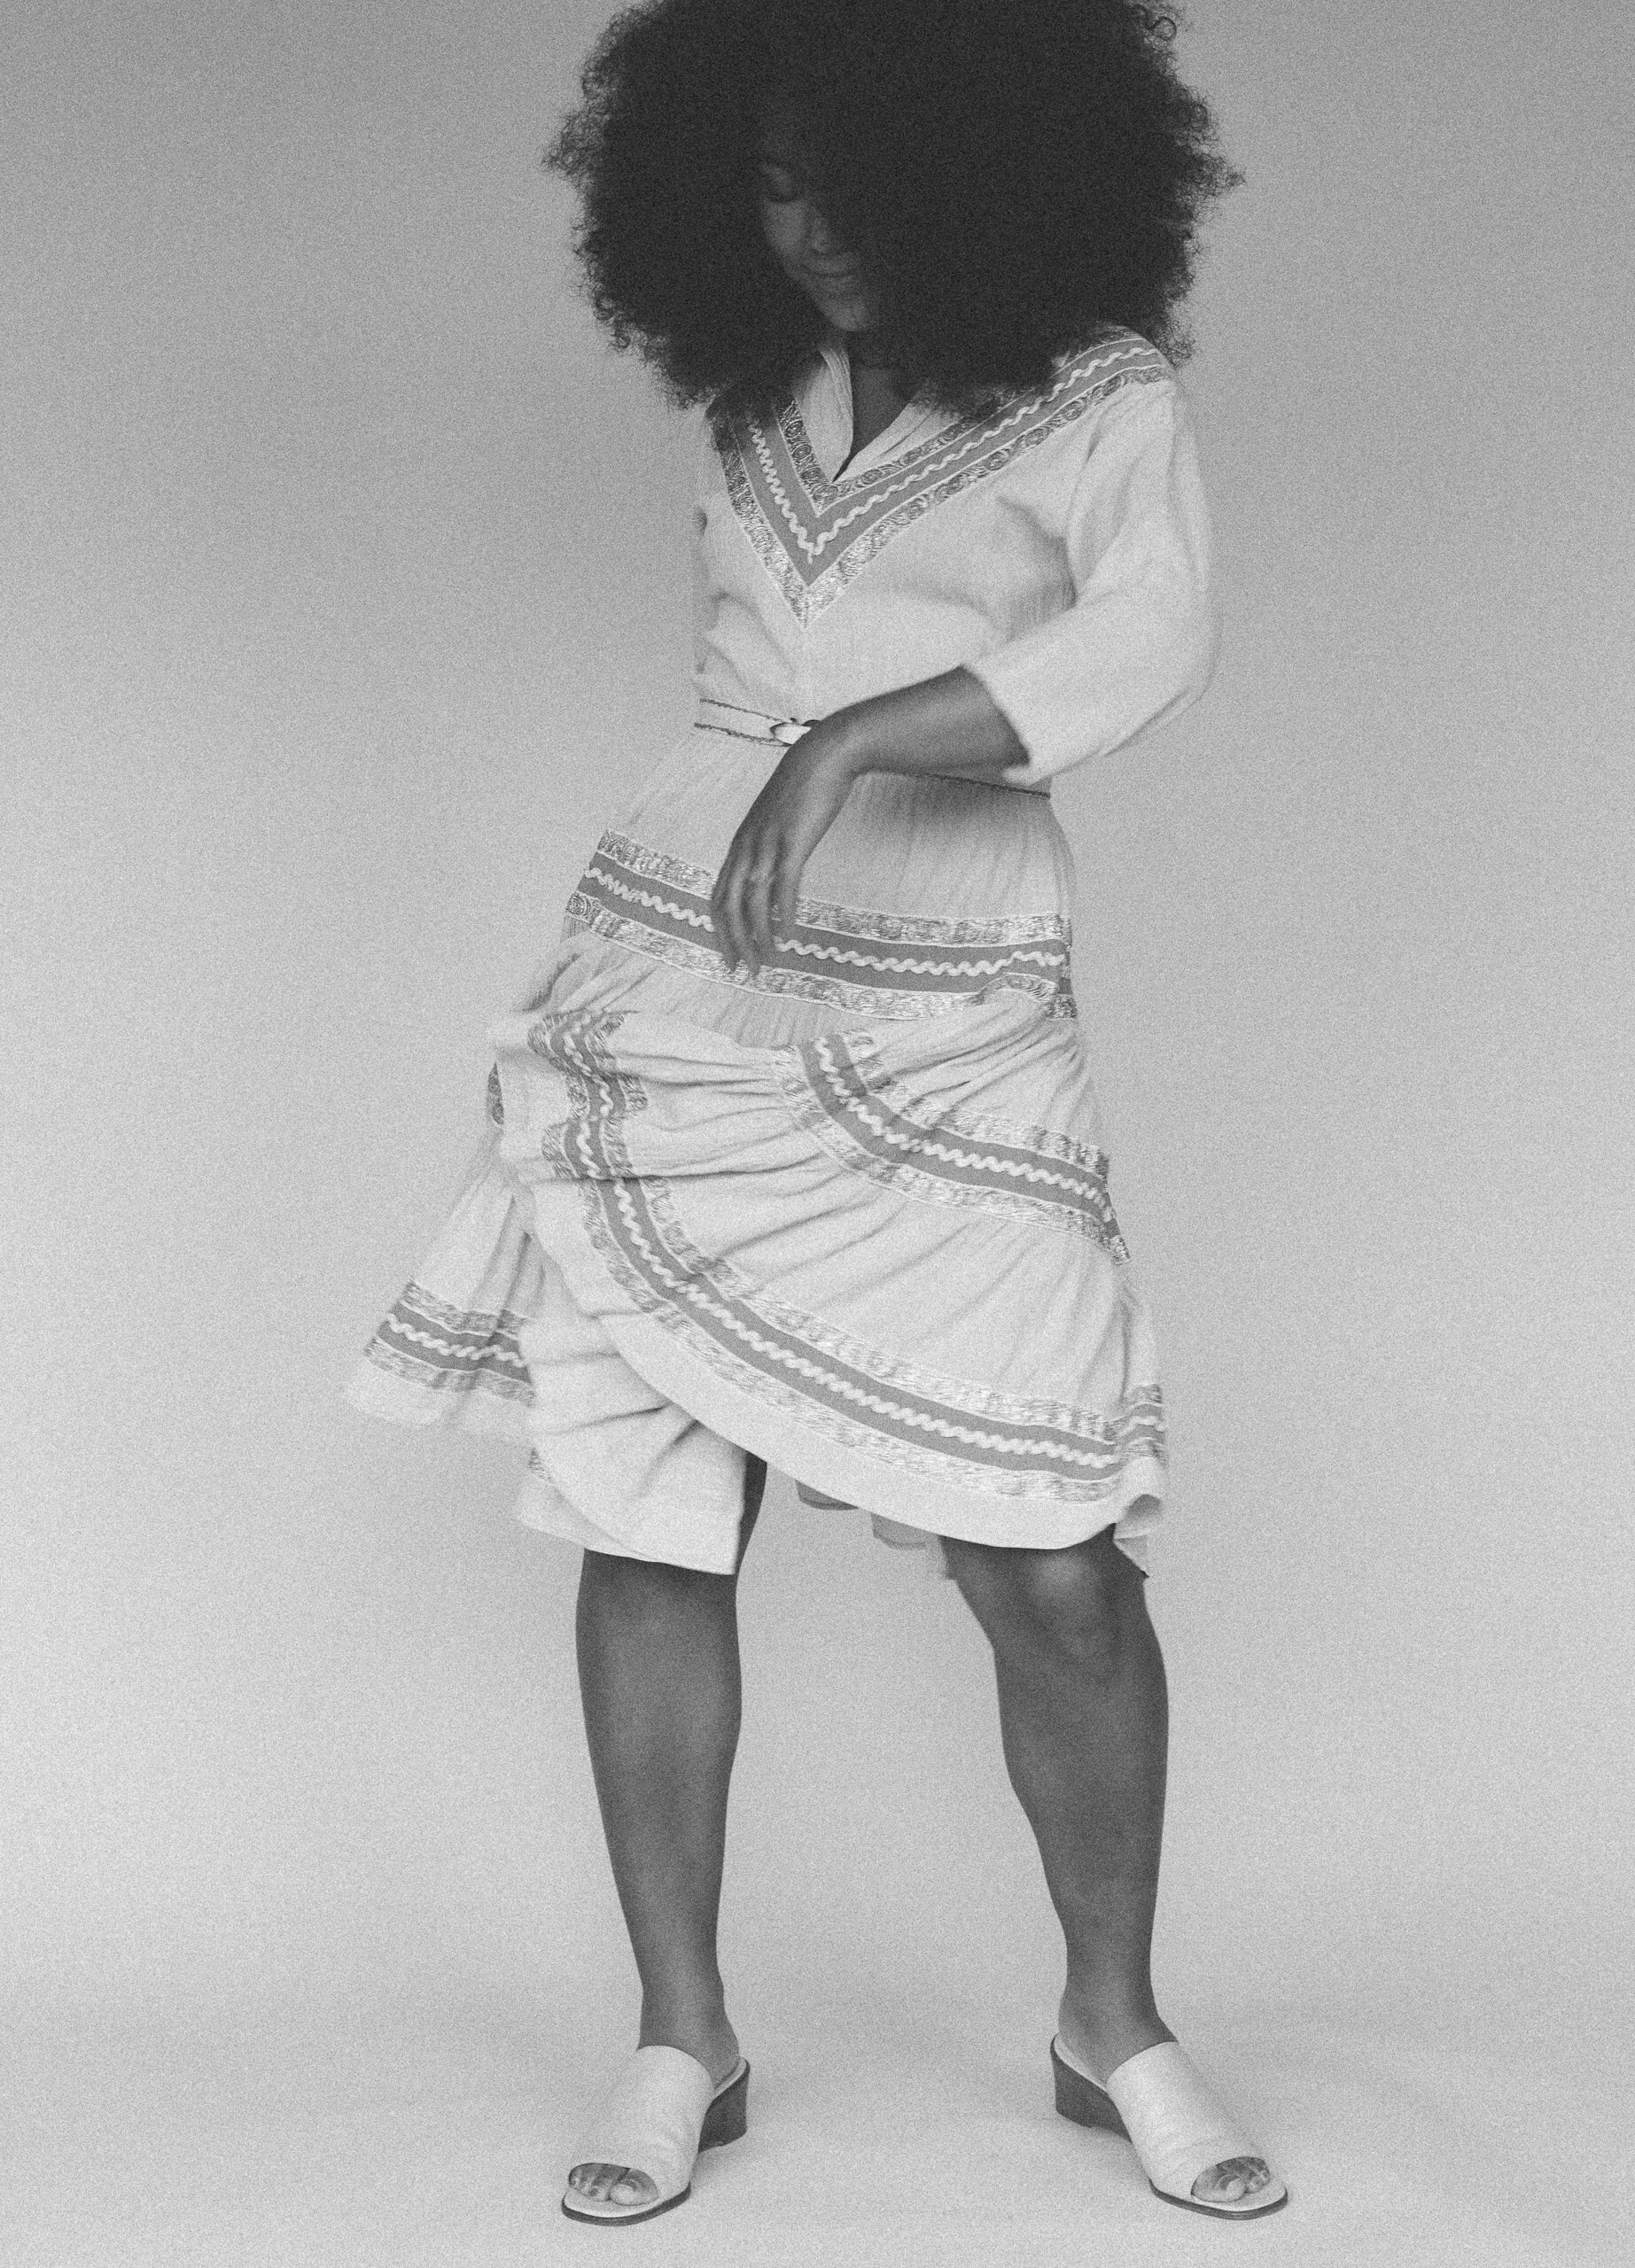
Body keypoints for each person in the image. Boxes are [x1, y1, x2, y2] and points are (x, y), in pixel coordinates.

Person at [347, 0, 1286, 2227]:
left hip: (947, 993)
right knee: (650, 1509)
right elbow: (736, 692)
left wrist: (861, 738)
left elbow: (1150, 633)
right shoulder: (754, 389)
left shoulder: (1099, 397)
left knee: (1053, 1556)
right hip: (684, 977)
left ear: (988, 170)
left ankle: (1111, 2018)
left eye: (859, 181)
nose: (813, 230)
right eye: (767, 184)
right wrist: (779, 761)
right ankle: (682, 2031)